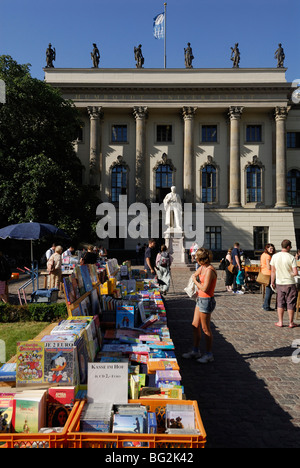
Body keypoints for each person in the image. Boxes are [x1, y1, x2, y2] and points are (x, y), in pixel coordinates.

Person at [182, 248, 217, 363]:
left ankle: (209, 354)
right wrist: (194, 277)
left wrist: (195, 281)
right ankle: (195, 350)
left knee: (205, 328)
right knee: (195, 325)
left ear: (202, 259)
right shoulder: (202, 267)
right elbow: (195, 274)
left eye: (197, 258)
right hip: (200, 299)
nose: (195, 260)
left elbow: (205, 288)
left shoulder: (209, 270)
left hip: (206, 300)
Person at [270, 239, 298, 328]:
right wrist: (291, 274)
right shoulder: (291, 257)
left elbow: (273, 271)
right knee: (291, 302)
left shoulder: (275, 256)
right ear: (288, 247)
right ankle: (291, 322)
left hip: (279, 282)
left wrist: (272, 281)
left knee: (280, 302)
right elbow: (295, 272)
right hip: (289, 282)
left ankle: (280, 321)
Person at [260, 243, 276, 311]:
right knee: (269, 290)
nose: (272, 250)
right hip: (268, 274)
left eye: (272, 248)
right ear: (267, 248)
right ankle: (266, 306)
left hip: (264, 273)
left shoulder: (263, 254)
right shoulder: (267, 256)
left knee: (269, 290)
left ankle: (265, 305)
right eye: (270, 248)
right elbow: (269, 266)